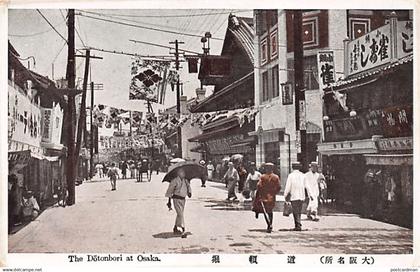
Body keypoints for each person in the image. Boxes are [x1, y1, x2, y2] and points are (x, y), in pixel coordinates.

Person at [252, 163, 280, 233]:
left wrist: (261, 191)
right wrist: (274, 192)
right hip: (272, 196)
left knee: (265, 211)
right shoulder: (276, 177)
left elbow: (259, 185)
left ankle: (269, 224)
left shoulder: (263, 177)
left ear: (266, 168)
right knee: (270, 211)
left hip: (264, 196)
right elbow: (279, 187)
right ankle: (270, 223)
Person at [284, 162, 312, 231]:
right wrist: (310, 195)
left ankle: (298, 225)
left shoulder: (291, 175)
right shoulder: (303, 175)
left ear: (292, 167)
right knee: (299, 210)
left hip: (294, 196)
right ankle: (298, 224)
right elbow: (307, 186)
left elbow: (288, 186)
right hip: (301, 196)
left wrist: (285, 194)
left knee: (295, 211)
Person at [165, 168, 192, 237]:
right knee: (180, 214)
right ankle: (183, 229)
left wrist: (189, 192)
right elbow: (170, 191)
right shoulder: (174, 181)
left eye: (184, 173)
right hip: (176, 199)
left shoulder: (186, 181)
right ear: (178, 173)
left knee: (180, 214)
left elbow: (189, 188)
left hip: (183, 199)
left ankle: (175, 227)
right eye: (182, 172)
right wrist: (169, 201)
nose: (183, 174)